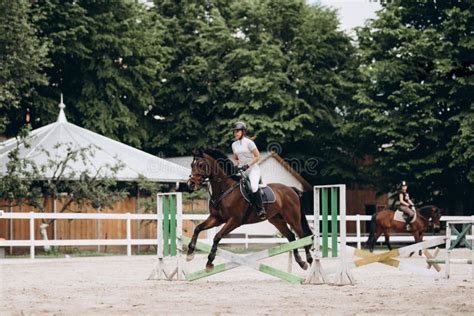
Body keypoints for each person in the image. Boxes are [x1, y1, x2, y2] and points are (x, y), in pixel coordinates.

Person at [231, 121, 266, 219]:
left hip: (253, 169)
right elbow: (236, 158)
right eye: (234, 131)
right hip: (242, 170)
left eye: (237, 131)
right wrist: (236, 165)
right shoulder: (234, 145)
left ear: (243, 132)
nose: (235, 133)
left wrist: (247, 165)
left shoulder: (250, 143)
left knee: (254, 187)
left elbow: (257, 156)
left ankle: (260, 210)